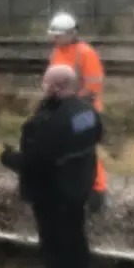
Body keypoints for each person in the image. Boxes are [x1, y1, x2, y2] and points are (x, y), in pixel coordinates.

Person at [0, 65, 102, 268]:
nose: (43, 87)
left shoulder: (48, 122)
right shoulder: (88, 111)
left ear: (56, 87)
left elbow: (35, 162)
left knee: (54, 243)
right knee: (76, 234)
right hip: (79, 186)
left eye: (45, 83)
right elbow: (96, 138)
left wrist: (8, 158)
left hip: (53, 193)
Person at [48, 12, 106, 212]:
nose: (53, 39)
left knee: (86, 151)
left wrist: (75, 103)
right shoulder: (56, 53)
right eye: (53, 35)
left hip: (84, 111)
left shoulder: (85, 53)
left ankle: (97, 190)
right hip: (64, 111)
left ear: (71, 34)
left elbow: (94, 85)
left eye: (57, 35)